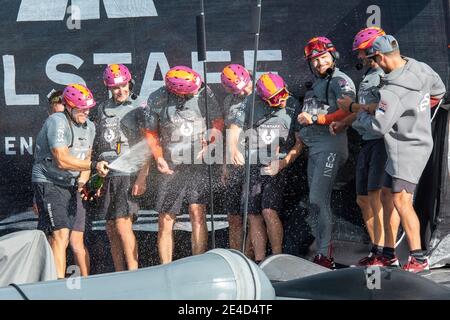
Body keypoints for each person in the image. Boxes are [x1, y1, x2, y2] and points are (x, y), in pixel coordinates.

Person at [348, 35, 446, 272]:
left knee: (402, 200)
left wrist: (361, 112)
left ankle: (419, 258)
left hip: (406, 150)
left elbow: (378, 127)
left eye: (373, 59)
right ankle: (389, 254)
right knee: (385, 196)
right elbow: (439, 90)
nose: (374, 64)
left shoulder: (391, 92)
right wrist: (416, 111)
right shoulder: (420, 67)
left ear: (380, 56)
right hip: (412, 143)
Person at [143, 66, 223, 264]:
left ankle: (198, 264)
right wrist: (159, 158)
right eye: (191, 91)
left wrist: (210, 141)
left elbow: (218, 121)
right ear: (177, 90)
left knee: (197, 213)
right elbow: (151, 133)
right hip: (170, 164)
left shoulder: (204, 91)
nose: (196, 91)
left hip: (198, 162)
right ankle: (166, 267)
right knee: (166, 218)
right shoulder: (157, 98)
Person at [32, 84, 108, 278]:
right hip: (49, 181)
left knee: (73, 238)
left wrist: (84, 183)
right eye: (81, 108)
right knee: (60, 234)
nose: (86, 112)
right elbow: (62, 159)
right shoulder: (57, 121)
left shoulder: (90, 126)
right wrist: (93, 167)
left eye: (88, 108)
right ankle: (57, 286)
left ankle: (81, 283)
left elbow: (86, 157)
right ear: (69, 106)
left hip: (71, 184)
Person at [227, 72, 303, 263]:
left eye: (282, 95)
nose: (281, 101)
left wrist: (284, 163)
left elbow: (300, 143)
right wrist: (233, 149)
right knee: (252, 214)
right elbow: (234, 128)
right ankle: (260, 261)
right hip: (252, 164)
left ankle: (276, 258)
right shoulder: (249, 102)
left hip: (276, 164)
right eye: (275, 99)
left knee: (269, 211)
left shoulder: (293, 104)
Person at [331, 27, 388, 265]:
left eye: (363, 52)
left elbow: (384, 107)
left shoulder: (388, 75)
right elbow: (362, 108)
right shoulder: (367, 76)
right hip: (366, 141)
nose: (360, 57)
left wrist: (353, 106)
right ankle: (376, 249)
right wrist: (344, 122)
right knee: (363, 199)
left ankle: (386, 252)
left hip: (382, 141)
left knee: (377, 198)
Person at [298, 36, 356, 268]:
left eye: (322, 57)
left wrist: (316, 118)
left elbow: (347, 110)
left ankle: (326, 254)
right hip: (314, 150)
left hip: (330, 148)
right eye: (314, 60)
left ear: (333, 56)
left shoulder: (339, 80)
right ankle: (322, 250)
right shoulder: (317, 85)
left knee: (318, 199)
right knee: (315, 203)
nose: (319, 63)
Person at [90, 64, 150, 271]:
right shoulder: (101, 108)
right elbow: (97, 144)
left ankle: (134, 273)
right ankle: (119, 273)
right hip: (106, 174)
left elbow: (147, 145)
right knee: (110, 227)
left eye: (123, 85)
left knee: (123, 224)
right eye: (115, 87)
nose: (121, 91)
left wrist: (142, 177)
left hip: (128, 173)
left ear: (129, 83)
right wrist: (96, 177)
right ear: (108, 88)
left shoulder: (138, 107)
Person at [220, 64, 253, 252]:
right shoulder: (229, 101)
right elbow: (228, 133)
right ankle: (235, 254)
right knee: (233, 216)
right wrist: (225, 164)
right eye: (237, 90)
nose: (243, 92)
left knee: (252, 215)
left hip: (255, 161)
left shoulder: (262, 94)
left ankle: (249, 257)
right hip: (234, 164)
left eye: (246, 87)